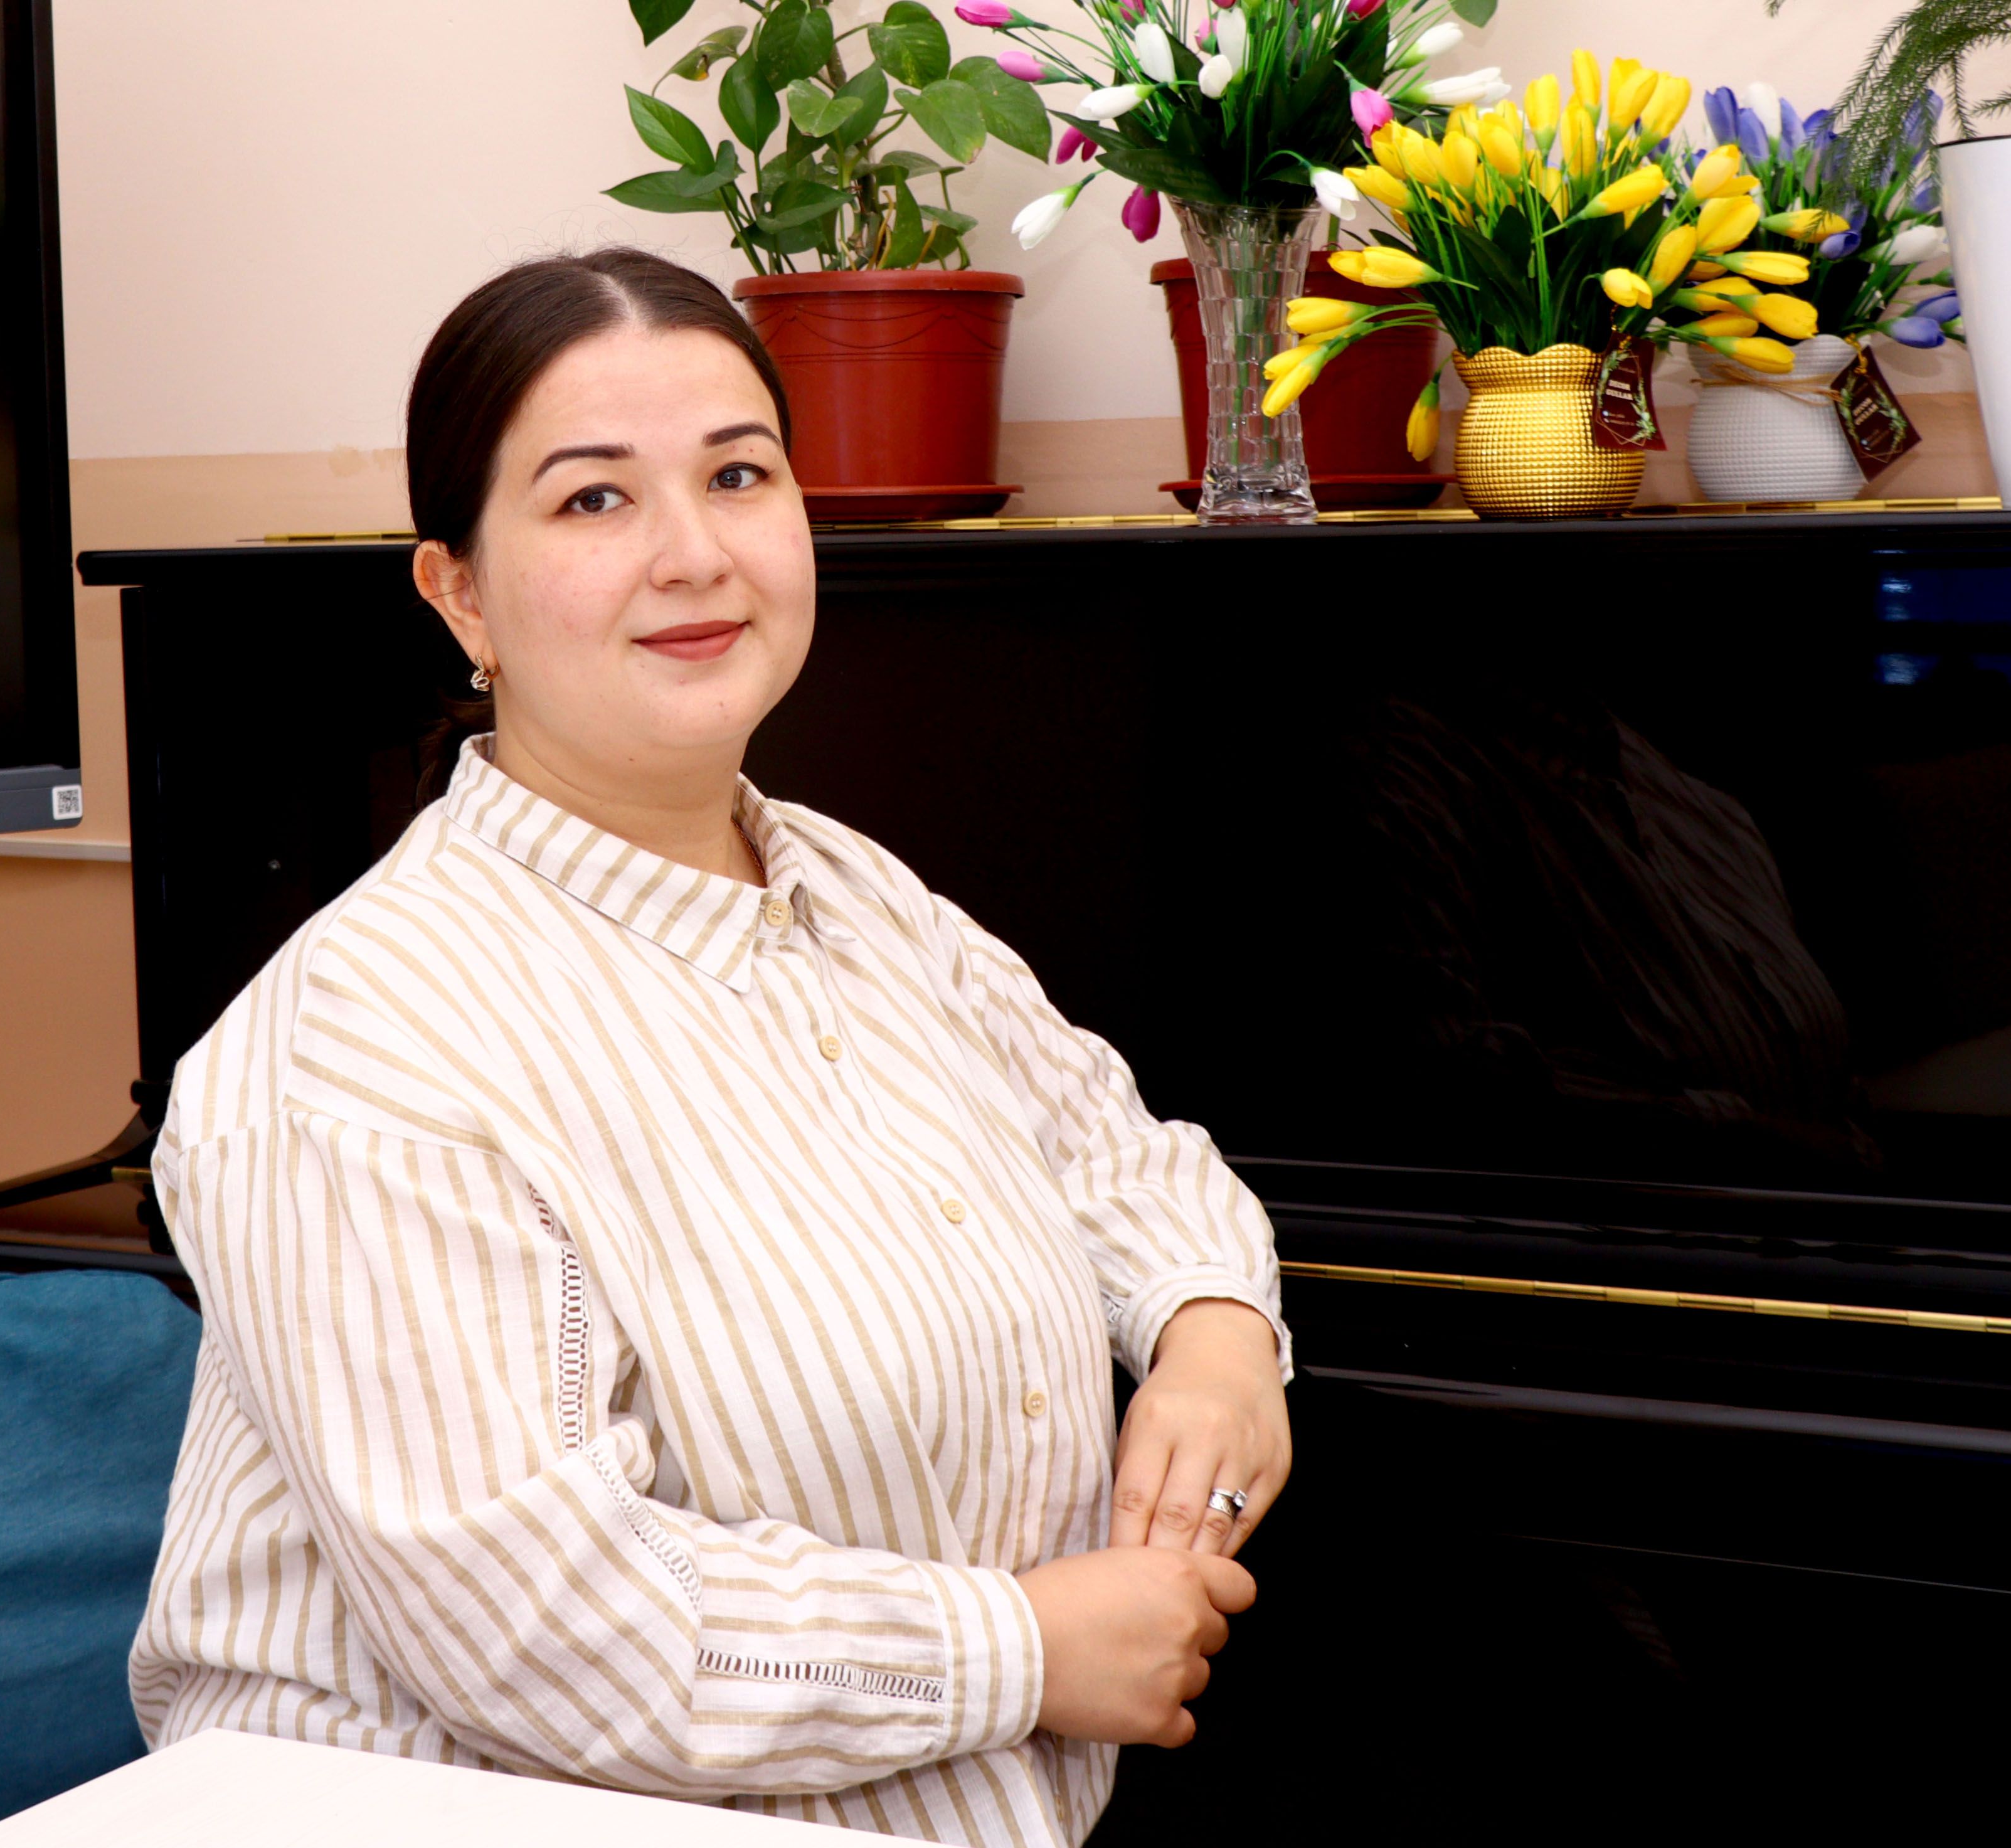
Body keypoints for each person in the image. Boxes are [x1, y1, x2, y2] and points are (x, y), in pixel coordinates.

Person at [127, 247, 1293, 1847]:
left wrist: (1215, 1333)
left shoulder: (845, 887)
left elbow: (1110, 1150)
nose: (694, 555)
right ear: (458, 593)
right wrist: (1020, 1649)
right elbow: (541, 1624)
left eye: (738, 476)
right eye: (593, 499)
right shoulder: (354, 1044)